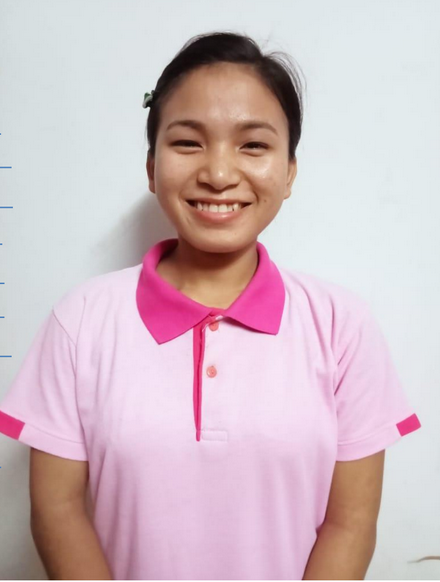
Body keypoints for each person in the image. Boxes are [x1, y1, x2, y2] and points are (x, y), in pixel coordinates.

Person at [0, 31, 422, 580]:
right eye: (188, 143)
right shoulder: (80, 321)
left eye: (253, 145)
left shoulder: (342, 327)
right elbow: (58, 512)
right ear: (151, 167)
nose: (219, 174)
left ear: (289, 172)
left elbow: (350, 524)